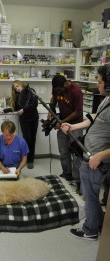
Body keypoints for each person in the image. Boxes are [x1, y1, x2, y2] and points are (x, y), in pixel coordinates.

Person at [61, 64, 110, 240]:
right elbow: (94, 117)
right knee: (91, 195)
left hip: (97, 160)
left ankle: (89, 230)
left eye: (100, 81)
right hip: (90, 156)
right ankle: (98, 224)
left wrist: (100, 155)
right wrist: (73, 126)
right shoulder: (107, 99)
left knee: (90, 196)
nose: (98, 85)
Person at [48, 75, 83, 193]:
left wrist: (62, 122)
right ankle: (67, 174)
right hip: (62, 124)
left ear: (65, 84)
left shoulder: (76, 91)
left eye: (59, 90)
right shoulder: (57, 88)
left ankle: (77, 180)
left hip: (76, 125)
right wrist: (51, 110)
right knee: (63, 151)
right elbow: (53, 98)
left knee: (77, 154)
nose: (58, 93)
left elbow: (78, 111)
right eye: (56, 90)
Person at [10, 80, 39, 169]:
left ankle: (30, 160)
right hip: (24, 120)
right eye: (15, 88)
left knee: (32, 139)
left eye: (17, 86)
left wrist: (24, 110)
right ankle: (24, 159)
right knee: (26, 139)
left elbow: (35, 104)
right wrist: (6, 110)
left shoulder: (31, 91)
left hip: (33, 118)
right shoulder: (17, 96)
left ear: (21, 84)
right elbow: (16, 108)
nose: (17, 89)